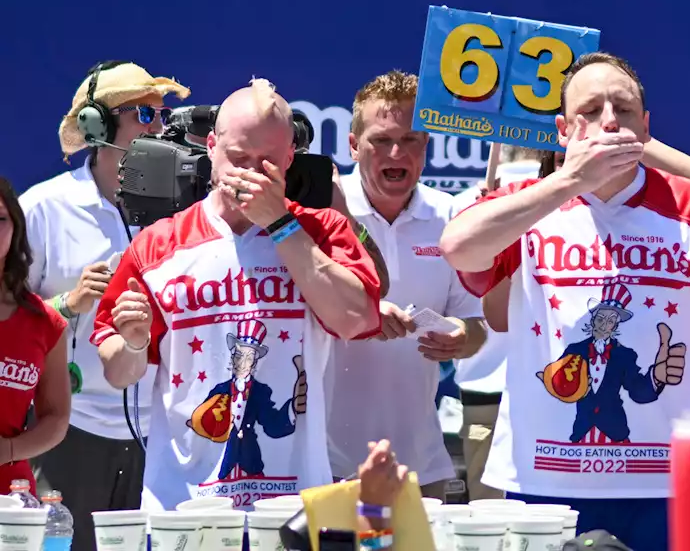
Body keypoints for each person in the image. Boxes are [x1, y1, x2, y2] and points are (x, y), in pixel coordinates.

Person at [440, 51, 690, 550]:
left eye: (623, 109)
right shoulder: (531, 203)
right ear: (563, 130)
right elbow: (458, 246)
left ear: (645, 127)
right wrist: (568, 181)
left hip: (671, 484)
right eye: (589, 111)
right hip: (544, 484)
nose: (608, 120)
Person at [91, 79, 381, 510]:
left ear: (289, 158)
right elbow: (119, 372)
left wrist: (281, 224)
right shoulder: (157, 245)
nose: (248, 174)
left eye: (266, 163)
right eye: (237, 158)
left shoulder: (322, 231)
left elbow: (356, 318)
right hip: (184, 507)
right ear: (210, 147)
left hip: (291, 504)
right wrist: (133, 342)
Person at [21, 60, 189, 551]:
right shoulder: (43, 209)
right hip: (69, 433)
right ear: (97, 126)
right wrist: (66, 303)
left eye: (162, 116)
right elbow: (7, 320)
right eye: (144, 114)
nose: (160, 128)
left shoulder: (185, 211)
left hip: (165, 433)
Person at [326, 70, 486, 499]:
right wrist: (361, 315)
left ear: (427, 147)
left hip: (420, 462)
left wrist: (462, 338)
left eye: (412, 139)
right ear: (353, 145)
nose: (397, 152)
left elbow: (477, 324)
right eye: (381, 139)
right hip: (327, 462)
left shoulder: (448, 215)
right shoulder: (324, 211)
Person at [0, 177, 72, 495]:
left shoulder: (45, 322)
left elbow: (56, 417)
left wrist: (10, 451)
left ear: (15, 228)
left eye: (0, 219)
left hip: (11, 499)